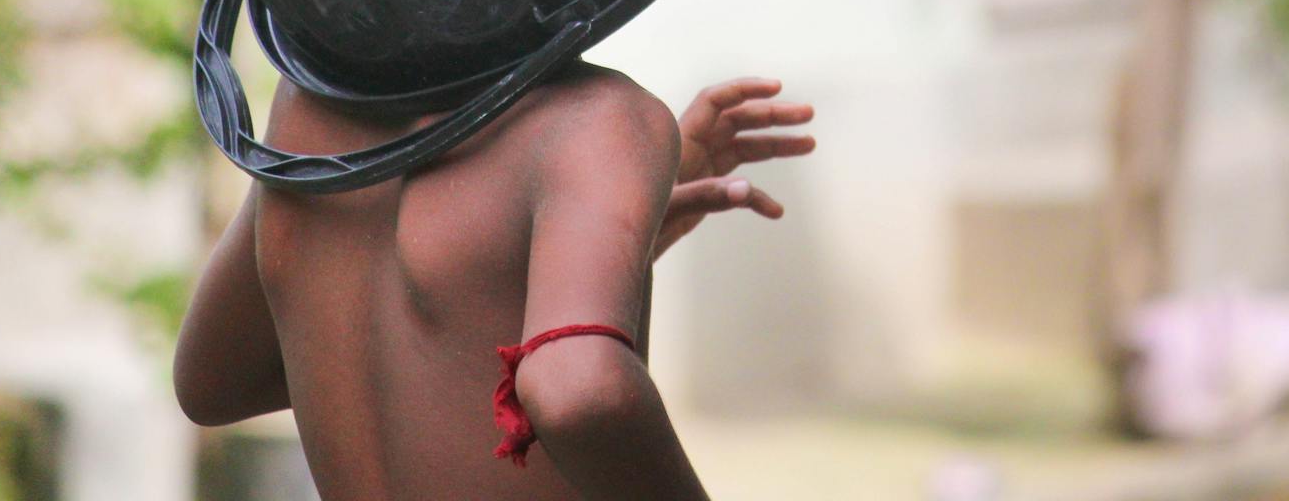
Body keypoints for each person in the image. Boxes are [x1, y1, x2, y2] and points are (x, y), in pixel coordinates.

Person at [172, 68, 814, 499]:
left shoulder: (306, 114)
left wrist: (592, 241)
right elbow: (578, 391)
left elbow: (213, 383)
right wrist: (602, 171)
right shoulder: (596, 117)